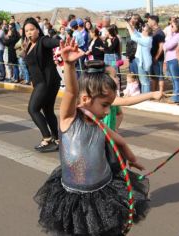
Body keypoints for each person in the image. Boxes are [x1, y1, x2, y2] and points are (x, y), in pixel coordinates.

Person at [34, 38, 149, 235]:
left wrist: (132, 160)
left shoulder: (99, 125)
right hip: (73, 195)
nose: (107, 111)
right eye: (104, 105)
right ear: (86, 99)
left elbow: (119, 140)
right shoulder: (68, 120)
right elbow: (71, 91)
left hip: (103, 191)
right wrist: (69, 65)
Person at [23, 17, 61, 152]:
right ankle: (57, 139)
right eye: (26, 31)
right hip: (41, 82)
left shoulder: (42, 41)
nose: (29, 33)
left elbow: (53, 42)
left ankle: (47, 138)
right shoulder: (28, 45)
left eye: (32, 29)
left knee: (33, 109)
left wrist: (62, 42)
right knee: (48, 110)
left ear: (38, 30)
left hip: (46, 82)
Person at [126, 19, 153, 93]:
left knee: (145, 82)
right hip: (140, 61)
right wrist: (130, 24)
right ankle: (144, 97)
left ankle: (146, 98)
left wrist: (129, 28)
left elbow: (134, 37)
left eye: (143, 30)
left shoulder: (147, 40)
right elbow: (135, 32)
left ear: (147, 32)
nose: (142, 30)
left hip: (144, 62)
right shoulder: (143, 36)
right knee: (143, 81)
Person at [163, 18, 179, 103]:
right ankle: (175, 95)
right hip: (169, 59)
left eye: (172, 26)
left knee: (176, 79)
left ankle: (177, 97)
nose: (170, 27)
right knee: (173, 79)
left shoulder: (178, 35)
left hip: (174, 59)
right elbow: (165, 45)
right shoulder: (173, 35)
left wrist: (169, 37)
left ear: (177, 27)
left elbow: (167, 46)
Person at [148, 15, 165, 92]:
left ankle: (161, 92)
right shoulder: (153, 32)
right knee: (153, 76)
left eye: (149, 20)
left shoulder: (160, 32)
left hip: (158, 59)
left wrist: (156, 57)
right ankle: (153, 92)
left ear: (153, 21)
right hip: (152, 58)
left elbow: (161, 47)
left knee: (160, 76)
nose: (148, 22)